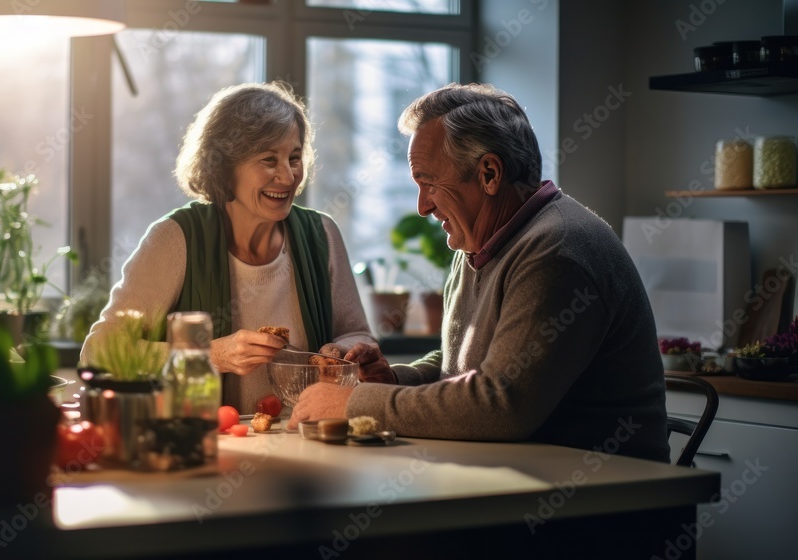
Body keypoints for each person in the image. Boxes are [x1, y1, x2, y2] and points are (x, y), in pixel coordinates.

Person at [289, 83, 670, 463]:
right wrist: (394, 380)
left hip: (604, 498)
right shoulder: (481, 240)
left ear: (489, 173)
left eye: (429, 183)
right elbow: (466, 364)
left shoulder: (555, 251)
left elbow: (501, 405)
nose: (422, 206)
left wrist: (356, 402)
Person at [82, 81, 376, 414]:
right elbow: (100, 352)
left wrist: (343, 352)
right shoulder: (174, 238)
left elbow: (356, 333)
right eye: (268, 160)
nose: (288, 176)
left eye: (294, 158)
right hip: (207, 443)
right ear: (224, 166)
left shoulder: (322, 233)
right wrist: (211, 354)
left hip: (306, 438)